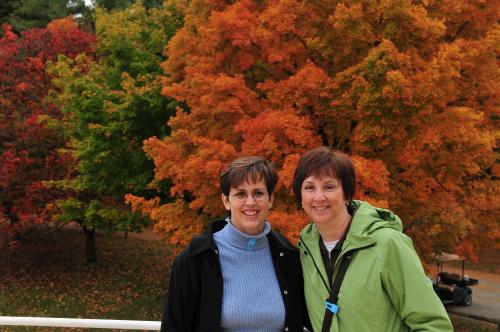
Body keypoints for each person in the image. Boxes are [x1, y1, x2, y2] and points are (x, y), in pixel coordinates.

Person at [293, 147, 453, 331]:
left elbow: (433, 324)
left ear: (346, 193)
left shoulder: (387, 244)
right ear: (300, 196)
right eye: (310, 187)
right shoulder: (304, 251)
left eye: (329, 187)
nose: (319, 197)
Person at [161, 156, 309, 331]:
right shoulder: (197, 257)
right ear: (226, 201)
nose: (250, 202)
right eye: (240, 194)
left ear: (270, 199)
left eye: (258, 193)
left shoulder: (287, 254)